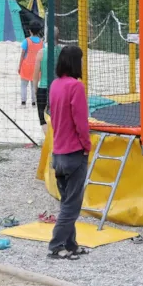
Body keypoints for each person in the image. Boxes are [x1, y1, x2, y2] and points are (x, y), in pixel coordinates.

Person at [47, 45, 91, 261]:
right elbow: (81, 122)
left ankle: (70, 244)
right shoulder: (76, 87)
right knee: (71, 205)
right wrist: (87, 146)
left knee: (66, 201)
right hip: (74, 153)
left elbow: (55, 118)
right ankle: (56, 246)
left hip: (58, 152)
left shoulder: (55, 85)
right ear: (76, 63)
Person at [31, 27, 60, 135]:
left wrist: (35, 89)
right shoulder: (62, 51)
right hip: (58, 88)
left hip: (43, 88)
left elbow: (35, 74)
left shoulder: (41, 53)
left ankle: (48, 139)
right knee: (57, 115)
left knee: (42, 116)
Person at [18, 26, 44, 106]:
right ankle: (34, 102)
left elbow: (22, 55)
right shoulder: (41, 42)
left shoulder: (26, 41)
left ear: (30, 31)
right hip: (37, 66)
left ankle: (23, 102)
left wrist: (19, 66)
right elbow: (43, 55)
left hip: (26, 65)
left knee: (23, 85)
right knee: (34, 85)